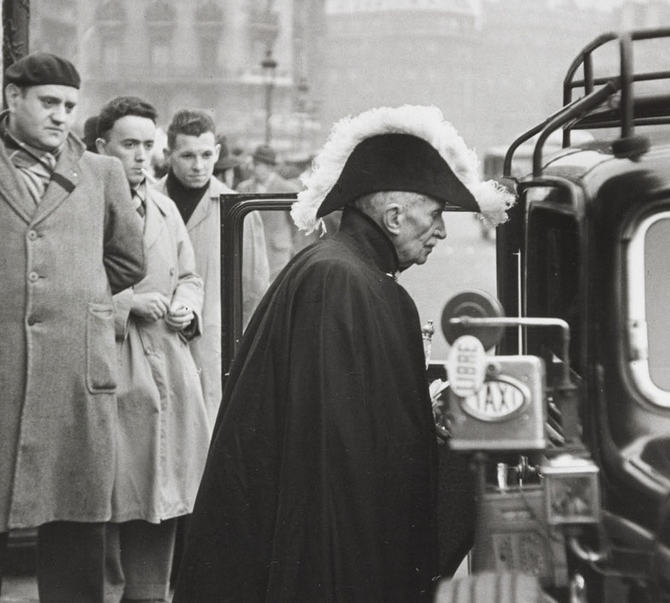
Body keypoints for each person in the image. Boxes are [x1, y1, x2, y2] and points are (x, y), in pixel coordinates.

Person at [171, 104, 514, 602]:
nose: (441, 231)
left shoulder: (341, 270)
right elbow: (337, 457)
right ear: (395, 217)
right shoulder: (342, 281)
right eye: (436, 216)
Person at [0, 53, 145, 603]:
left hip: (74, 371)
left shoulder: (101, 172)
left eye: (69, 106)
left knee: (77, 521)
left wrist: (78, 297)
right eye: (48, 103)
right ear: (13, 98)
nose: (61, 116)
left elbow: (128, 261)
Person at [95, 96, 211, 603]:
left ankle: (148, 594)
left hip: (168, 366)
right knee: (111, 501)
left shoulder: (163, 206)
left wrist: (187, 306)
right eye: (129, 144)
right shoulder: (85, 202)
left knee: (163, 495)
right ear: (102, 147)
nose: (142, 156)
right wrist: (127, 303)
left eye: (148, 145)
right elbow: (65, 283)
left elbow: (189, 273)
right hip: (112, 367)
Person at [155, 109, 269, 426]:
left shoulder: (239, 210)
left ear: (217, 153)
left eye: (206, 155)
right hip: (155, 346)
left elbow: (254, 295)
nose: (199, 165)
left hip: (213, 356)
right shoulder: (144, 203)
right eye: (188, 155)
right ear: (168, 155)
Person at [236, 144, 310, 281]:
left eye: (258, 164)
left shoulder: (288, 189)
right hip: (251, 251)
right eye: (255, 163)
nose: (254, 167)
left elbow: (297, 225)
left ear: (269, 166)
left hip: (278, 252)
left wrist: (295, 248)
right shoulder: (244, 188)